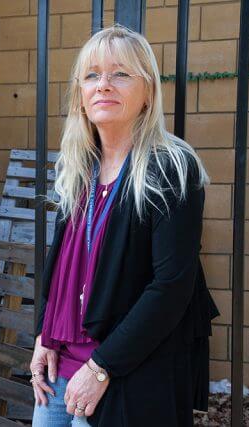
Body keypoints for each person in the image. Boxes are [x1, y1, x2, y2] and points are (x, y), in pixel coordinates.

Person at [30, 23, 220, 427]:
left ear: (148, 91)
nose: (104, 85)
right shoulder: (78, 168)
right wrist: (44, 336)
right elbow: (65, 268)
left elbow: (171, 286)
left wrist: (101, 368)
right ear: (80, 95)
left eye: (120, 74)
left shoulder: (170, 166)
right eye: (92, 75)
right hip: (59, 371)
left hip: (122, 375)